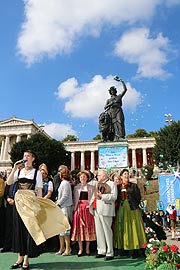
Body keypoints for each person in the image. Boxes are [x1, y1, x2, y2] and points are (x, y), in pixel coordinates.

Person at [7, 150, 70, 270]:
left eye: (28, 156)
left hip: (30, 202)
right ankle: (19, 258)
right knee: (18, 229)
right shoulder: (18, 171)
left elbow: (39, 190)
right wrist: (14, 168)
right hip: (19, 202)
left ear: (33, 158)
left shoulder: (37, 173)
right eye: (24, 155)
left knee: (29, 230)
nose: (25, 157)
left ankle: (26, 259)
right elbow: (9, 182)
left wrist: (38, 206)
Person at [113, 168, 147, 258]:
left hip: (132, 209)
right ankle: (123, 249)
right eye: (124, 174)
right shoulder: (118, 187)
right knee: (122, 228)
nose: (126, 175)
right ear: (121, 176)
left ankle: (134, 249)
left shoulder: (134, 186)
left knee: (133, 228)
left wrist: (133, 204)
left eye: (127, 174)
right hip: (122, 209)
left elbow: (138, 197)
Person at [90, 169, 117, 261]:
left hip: (106, 209)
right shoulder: (97, 184)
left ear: (104, 176)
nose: (97, 177)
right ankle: (101, 250)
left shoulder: (112, 184)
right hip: (97, 209)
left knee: (107, 230)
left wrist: (103, 196)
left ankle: (110, 252)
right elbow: (94, 196)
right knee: (99, 231)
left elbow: (114, 197)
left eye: (99, 175)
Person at [71, 170, 96, 256]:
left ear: (87, 178)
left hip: (88, 210)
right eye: (81, 177)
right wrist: (75, 208)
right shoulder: (76, 187)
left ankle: (87, 248)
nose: (83, 178)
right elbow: (75, 199)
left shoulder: (92, 187)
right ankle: (80, 249)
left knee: (87, 228)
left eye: (84, 177)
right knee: (79, 228)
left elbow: (93, 199)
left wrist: (90, 206)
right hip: (79, 210)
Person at [55, 166, 73, 256]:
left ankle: (68, 248)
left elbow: (65, 196)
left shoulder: (65, 183)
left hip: (65, 207)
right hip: (61, 207)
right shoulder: (63, 183)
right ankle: (61, 248)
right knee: (61, 230)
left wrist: (58, 203)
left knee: (66, 229)